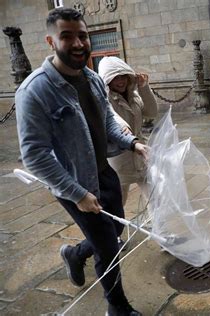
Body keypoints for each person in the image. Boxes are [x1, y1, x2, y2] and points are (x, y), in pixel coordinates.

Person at [15, 8, 145, 316]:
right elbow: (34, 154)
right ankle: (117, 307)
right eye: (67, 36)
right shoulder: (34, 91)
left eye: (82, 36)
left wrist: (134, 143)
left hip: (105, 172)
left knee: (112, 232)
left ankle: (74, 254)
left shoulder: (92, 79)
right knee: (108, 247)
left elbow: (106, 122)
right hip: (75, 184)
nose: (77, 43)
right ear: (51, 41)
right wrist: (77, 194)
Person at [97, 56, 158, 207]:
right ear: (107, 80)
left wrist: (144, 88)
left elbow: (151, 112)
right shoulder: (103, 98)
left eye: (123, 76)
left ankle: (159, 228)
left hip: (141, 155)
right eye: (115, 77)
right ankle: (115, 231)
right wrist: (122, 127)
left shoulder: (134, 95)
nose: (121, 80)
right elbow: (110, 115)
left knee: (155, 199)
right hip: (118, 160)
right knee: (118, 204)